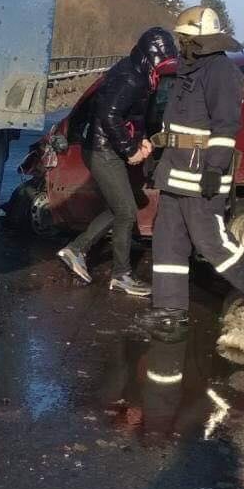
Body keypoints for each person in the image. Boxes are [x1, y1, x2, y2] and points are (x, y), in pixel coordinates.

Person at [141, 6, 244, 336]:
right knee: (168, 241)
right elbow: (176, 125)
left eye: (184, 38)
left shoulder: (221, 72)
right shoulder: (189, 70)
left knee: (210, 241)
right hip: (175, 172)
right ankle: (169, 310)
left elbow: (226, 125)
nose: (180, 43)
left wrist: (215, 168)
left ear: (200, 39)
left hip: (202, 176)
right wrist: (159, 157)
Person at [57, 27, 178, 296]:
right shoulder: (131, 78)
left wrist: (144, 139)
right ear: (150, 57)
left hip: (109, 149)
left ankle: (77, 249)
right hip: (102, 151)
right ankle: (120, 274)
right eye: (162, 61)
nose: (165, 66)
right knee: (126, 211)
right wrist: (130, 149)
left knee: (121, 206)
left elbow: (136, 117)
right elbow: (108, 115)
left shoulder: (145, 76)